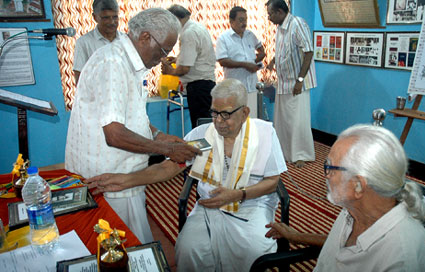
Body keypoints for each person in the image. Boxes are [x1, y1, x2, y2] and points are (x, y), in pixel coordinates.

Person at [86, 79, 288, 271]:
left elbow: (273, 182)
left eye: (225, 114)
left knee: (254, 251)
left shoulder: (264, 135)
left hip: (250, 205)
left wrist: (238, 194)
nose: (218, 121)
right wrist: (124, 180)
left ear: (244, 112)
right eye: (214, 113)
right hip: (209, 207)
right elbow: (168, 167)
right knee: (188, 248)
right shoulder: (202, 135)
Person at [65, 8, 201, 244]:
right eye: (164, 50)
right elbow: (114, 134)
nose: (163, 58)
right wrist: (167, 150)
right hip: (109, 179)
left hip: (124, 174)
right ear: (145, 37)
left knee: (135, 244)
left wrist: (159, 135)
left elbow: (133, 114)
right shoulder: (113, 63)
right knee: (118, 249)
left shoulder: (129, 63)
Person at [266, 124, 425, 271]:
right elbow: (342, 245)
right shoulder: (356, 208)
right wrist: (296, 236)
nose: (325, 175)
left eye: (329, 167)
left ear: (358, 185)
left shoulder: (399, 260)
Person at [266, 0, 317, 168]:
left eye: (271, 13)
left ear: (280, 11)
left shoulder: (297, 24)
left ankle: (301, 154)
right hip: (284, 82)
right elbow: (285, 50)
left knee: (298, 120)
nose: (269, 17)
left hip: (297, 83)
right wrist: (273, 61)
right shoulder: (280, 28)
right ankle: (285, 153)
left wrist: (300, 80)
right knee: (283, 120)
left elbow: (308, 52)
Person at [162, 4, 216, 128]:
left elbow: (184, 69)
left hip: (198, 87)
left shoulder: (188, 34)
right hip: (206, 85)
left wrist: (169, 71)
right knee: (206, 126)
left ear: (175, 20)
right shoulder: (198, 27)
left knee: (200, 128)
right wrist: (177, 59)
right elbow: (198, 56)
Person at [216, 6, 266, 118]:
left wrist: (254, 62)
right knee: (237, 121)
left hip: (253, 87)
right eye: (241, 20)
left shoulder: (250, 35)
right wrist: (245, 64)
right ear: (231, 21)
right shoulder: (223, 38)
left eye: (246, 20)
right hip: (235, 90)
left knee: (252, 120)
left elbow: (261, 50)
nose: (244, 23)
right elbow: (222, 61)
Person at [73, 0, 124, 84]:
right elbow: (79, 77)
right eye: (106, 18)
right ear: (95, 17)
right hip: (98, 95)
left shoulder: (126, 40)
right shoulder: (84, 42)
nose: (112, 22)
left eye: (115, 17)